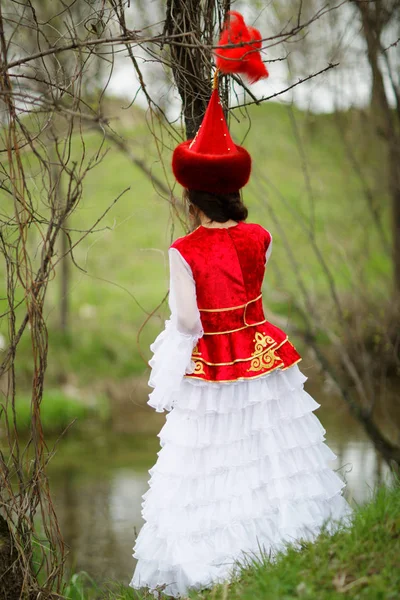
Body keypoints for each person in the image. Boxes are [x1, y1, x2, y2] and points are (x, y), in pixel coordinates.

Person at [129, 12, 354, 598]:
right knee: (267, 453)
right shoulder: (262, 237)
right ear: (232, 189)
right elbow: (248, 292)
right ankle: (280, 545)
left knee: (212, 465)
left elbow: (186, 320)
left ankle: (221, 562)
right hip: (260, 348)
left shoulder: (185, 249)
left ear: (192, 195)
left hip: (213, 359)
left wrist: (171, 363)